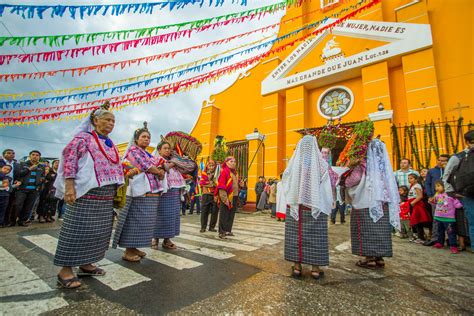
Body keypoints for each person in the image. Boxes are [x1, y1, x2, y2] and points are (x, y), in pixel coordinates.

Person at [53, 102, 124, 289]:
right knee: (76, 230)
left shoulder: (110, 143)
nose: (111, 123)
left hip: (105, 195)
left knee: (97, 232)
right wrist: (69, 186)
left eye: (113, 121)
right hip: (85, 194)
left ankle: (86, 264)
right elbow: (69, 160)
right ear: (95, 120)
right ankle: (65, 271)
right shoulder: (82, 139)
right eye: (107, 119)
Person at [113, 123, 165, 262]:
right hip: (137, 192)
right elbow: (146, 166)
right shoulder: (133, 151)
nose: (147, 139)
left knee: (143, 223)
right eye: (143, 137)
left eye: (148, 137)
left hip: (149, 192)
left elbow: (157, 164)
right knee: (134, 221)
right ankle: (128, 251)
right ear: (136, 139)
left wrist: (159, 170)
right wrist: (158, 171)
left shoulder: (147, 153)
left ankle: (134, 247)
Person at [283, 135, 332, 279]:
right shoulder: (322, 165)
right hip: (315, 205)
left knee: (295, 236)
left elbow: (285, 181)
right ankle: (315, 269)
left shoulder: (293, 164)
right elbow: (326, 187)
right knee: (316, 236)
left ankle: (297, 267)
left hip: (296, 206)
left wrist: (292, 197)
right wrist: (326, 203)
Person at [347, 139, 401, 269]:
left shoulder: (362, 165)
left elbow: (351, 181)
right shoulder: (384, 166)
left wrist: (345, 176)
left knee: (366, 230)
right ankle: (380, 258)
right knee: (380, 230)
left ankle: (369, 258)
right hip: (382, 203)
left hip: (365, 202)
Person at [443, 130, 474, 252]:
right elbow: (447, 176)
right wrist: (453, 194)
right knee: (472, 222)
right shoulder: (459, 157)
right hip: (467, 194)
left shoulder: (459, 156)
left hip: (466, 193)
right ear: (467, 142)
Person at [152, 141, 186, 250]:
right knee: (159, 215)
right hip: (162, 192)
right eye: (165, 148)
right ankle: (155, 238)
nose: (167, 150)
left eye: (169, 148)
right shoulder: (155, 161)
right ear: (159, 150)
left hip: (174, 192)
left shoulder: (174, 161)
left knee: (171, 216)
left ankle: (167, 239)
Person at [14, 150, 46, 226]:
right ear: (30, 156)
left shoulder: (41, 166)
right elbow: (18, 174)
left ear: (39, 157)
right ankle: (12, 220)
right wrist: (29, 169)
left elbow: (43, 176)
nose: (35, 156)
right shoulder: (22, 164)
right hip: (22, 189)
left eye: (37, 155)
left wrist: (42, 180)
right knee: (18, 205)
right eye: (33, 154)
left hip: (34, 190)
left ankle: (23, 221)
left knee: (28, 206)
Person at [423, 154, 450, 246]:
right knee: (436, 219)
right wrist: (430, 196)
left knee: (449, 219)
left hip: (449, 199)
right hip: (435, 198)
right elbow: (427, 184)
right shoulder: (432, 171)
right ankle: (435, 238)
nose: (440, 162)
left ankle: (450, 238)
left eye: (443, 160)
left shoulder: (450, 169)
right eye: (439, 160)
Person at [431, 181, 463, 254]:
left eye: (438, 186)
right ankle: (440, 243)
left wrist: (461, 202)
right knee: (440, 231)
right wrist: (432, 200)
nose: (436, 188)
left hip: (448, 219)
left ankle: (453, 246)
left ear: (445, 186)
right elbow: (435, 203)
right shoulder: (438, 195)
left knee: (451, 233)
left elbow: (458, 205)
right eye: (435, 186)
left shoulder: (451, 196)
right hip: (439, 217)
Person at [217, 156, 239, 239]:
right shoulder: (224, 172)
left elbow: (236, 185)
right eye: (231, 161)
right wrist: (224, 198)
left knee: (231, 214)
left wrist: (240, 183)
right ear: (226, 163)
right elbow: (221, 186)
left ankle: (228, 230)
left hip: (234, 196)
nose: (233, 163)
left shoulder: (235, 173)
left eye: (234, 161)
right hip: (226, 196)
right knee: (224, 214)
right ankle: (221, 231)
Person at [408, 173, 431, 242]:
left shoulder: (417, 186)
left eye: (411, 178)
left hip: (417, 205)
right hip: (413, 204)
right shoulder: (412, 186)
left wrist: (413, 202)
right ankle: (418, 236)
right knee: (415, 220)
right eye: (408, 178)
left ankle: (421, 237)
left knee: (417, 220)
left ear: (416, 179)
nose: (409, 180)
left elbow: (420, 196)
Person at [200, 160, 218, 232]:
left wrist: (211, 184)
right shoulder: (204, 173)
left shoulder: (217, 174)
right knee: (204, 211)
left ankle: (212, 227)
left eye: (213, 165)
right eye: (210, 165)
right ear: (207, 166)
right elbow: (201, 183)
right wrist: (209, 183)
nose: (211, 167)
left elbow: (217, 184)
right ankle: (203, 227)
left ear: (215, 166)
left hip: (215, 195)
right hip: (206, 194)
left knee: (215, 212)